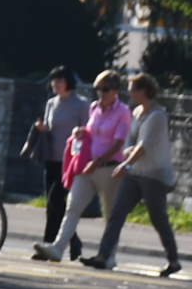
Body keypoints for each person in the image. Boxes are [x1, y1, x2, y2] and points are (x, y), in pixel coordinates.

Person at [86, 73, 182, 276]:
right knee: (117, 213)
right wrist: (128, 159)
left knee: (158, 218)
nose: (128, 93)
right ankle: (102, 256)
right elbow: (130, 143)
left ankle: (173, 260)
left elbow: (143, 147)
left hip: (154, 174)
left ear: (143, 91)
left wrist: (125, 164)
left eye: (132, 89)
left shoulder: (157, 116)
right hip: (135, 172)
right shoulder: (136, 112)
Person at [30, 70, 132, 262]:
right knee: (72, 207)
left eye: (106, 89)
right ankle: (58, 248)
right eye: (98, 89)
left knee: (110, 215)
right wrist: (82, 131)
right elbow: (93, 132)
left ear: (116, 90)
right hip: (87, 166)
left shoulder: (123, 112)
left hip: (108, 167)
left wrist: (100, 161)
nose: (101, 93)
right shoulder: (94, 107)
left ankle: (109, 256)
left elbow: (119, 142)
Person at [28, 66, 91, 262]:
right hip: (51, 157)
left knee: (56, 200)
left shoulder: (81, 104)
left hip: (70, 160)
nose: (56, 84)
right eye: (54, 80)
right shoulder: (51, 103)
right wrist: (41, 128)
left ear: (68, 82)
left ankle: (66, 241)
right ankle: (57, 243)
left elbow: (87, 131)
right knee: (51, 204)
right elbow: (50, 127)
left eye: (60, 80)